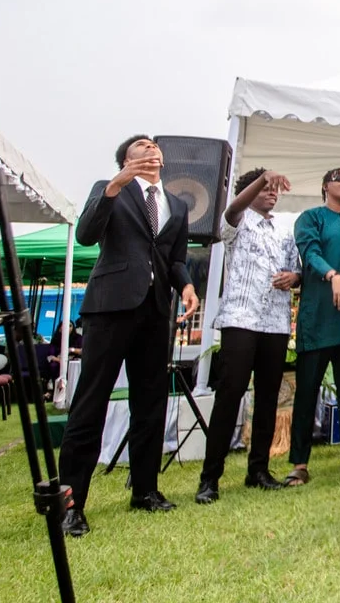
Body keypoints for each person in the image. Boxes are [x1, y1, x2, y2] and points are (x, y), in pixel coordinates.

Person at [59, 136, 199, 538]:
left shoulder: (178, 205)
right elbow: (86, 234)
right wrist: (114, 185)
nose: (152, 149)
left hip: (156, 311)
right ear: (126, 159)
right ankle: (72, 504)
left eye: (156, 145)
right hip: (110, 307)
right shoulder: (110, 189)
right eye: (141, 145)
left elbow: (174, 258)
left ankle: (145, 490)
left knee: (150, 403)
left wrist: (187, 285)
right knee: (91, 401)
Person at [195, 168, 299, 505]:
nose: (271, 194)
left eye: (274, 190)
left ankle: (259, 470)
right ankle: (210, 478)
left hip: (276, 323)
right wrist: (262, 177)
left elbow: (298, 270)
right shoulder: (237, 222)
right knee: (231, 394)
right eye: (265, 189)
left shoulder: (283, 230)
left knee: (267, 397)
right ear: (250, 190)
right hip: (241, 319)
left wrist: (293, 277)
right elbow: (231, 210)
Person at [286, 167, 340, 485]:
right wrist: (333, 276)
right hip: (320, 317)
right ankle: (299, 462)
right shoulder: (311, 218)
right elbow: (309, 253)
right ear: (326, 186)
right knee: (307, 392)